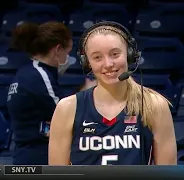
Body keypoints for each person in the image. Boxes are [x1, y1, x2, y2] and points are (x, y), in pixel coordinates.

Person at [48, 21, 177, 165]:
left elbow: (167, 172)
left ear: (129, 54)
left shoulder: (154, 105)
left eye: (115, 54)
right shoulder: (67, 108)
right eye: (97, 57)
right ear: (87, 62)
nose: (108, 64)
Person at [7, 21, 96, 165]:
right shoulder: (39, 75)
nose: (67, 59)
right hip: (37, 158)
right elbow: (64, 112)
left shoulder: (27, 72)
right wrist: (87, 91)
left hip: (26, 156)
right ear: (57, 50)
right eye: (67, 53)